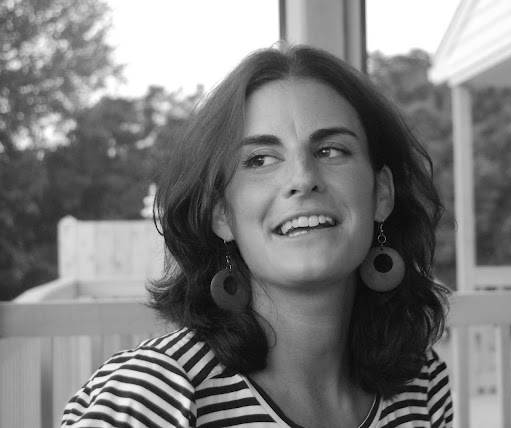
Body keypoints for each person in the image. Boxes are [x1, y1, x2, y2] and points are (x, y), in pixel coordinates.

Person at [61, 43, 453, 428]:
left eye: (330, 150)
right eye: (260, 159)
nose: (303, 179)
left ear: (381, 194)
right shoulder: (154, 394)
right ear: (221, 214)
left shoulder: (422, 386)